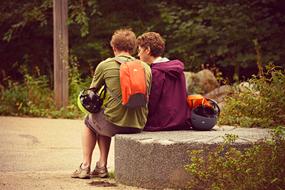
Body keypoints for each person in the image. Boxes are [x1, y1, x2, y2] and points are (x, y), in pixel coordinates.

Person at [72, 29, 152, 179]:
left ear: (114, 47)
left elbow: (91, 92)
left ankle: (85, 166)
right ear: (133, 48)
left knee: (90, 121)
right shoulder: (146, 68)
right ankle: (101, 166)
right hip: (138, 124)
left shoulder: (105, 65)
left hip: (113, 124)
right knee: (104, 116)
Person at [137, 32, 190, 131]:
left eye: (140, 50)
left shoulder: (155, 72)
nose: (138, 54)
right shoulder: (177, 69)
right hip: (181, 121)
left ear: (147, 50)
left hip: (162, 123)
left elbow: (152, 103)